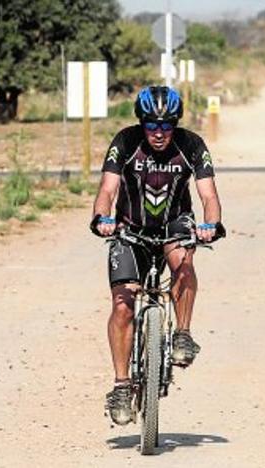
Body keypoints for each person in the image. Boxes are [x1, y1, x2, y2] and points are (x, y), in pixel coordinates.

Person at [89, 86, 224, 425]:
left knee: (184, 262)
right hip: (129, 226)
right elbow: (107, 189)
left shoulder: (191, 144)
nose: (159, 133)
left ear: (176, 124)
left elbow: (208, 195)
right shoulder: (125, 141)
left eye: (166, 126)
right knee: (122, 304)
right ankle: (121, 386)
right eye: (151, 126)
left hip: (174, 224)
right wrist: (102, 219)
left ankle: (182, 333)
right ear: (141, 123)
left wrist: (211, 224)